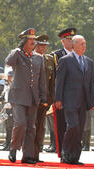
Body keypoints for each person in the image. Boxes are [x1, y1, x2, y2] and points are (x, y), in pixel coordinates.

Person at [5, 28, 47, 164]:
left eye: (34, 40)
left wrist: (44, 97)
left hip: (33, 98)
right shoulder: (17, 54)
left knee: (31, 128)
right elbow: (8, 61)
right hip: (18, 97)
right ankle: (14, 148)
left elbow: (42, 80)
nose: (34, 42)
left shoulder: (38, 58)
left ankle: (27, 156)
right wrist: (17, 50)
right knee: (20, 123)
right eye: (31, 40)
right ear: (24, 42)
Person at [54, 35, 94, 165]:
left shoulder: (89, 62)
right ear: (74, 45)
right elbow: (59, 81)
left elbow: (91, 83)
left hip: (83, 102)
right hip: (69, 101)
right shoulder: (65, 60)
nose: (84, 46)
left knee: (80, 129)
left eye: (85, 43)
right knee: (73, 126)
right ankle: (65, 154)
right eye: (81, 44)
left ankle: (75, 157)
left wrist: (92, 100)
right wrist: (58, 99)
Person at [50, 27, 76, 157]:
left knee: (75, 126)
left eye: (73, 39)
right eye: (69, 39)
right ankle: (63, 153)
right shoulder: (56, 55)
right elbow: (54, 78)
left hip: (75, 97)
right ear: (63, 41)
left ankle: (73, 152)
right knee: (61, 125)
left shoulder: (79, 55)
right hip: (62, 96)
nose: (71, 42)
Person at [33, 34, 56, 162]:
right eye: (41, 45)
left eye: (45, 46)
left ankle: (36, 154)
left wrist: (51, 99)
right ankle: (29, 153)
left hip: (45, 99)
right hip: (32, 98)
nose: (43, 48)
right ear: (36, 45)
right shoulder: (30, 58)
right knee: (31, 126)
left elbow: (52, 81)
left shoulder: (50, 60)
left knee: (41, 127)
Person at [0, 70, 14, 151]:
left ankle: (10, 145)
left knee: (10, 127)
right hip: (6, 107)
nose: (9, 78)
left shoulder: (15, 86)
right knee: (7, 127)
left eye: (10, 76)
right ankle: (7, 143)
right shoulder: (7, 86)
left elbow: (17, 98)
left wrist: (11, 104)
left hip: (12, 108)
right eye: (8, 76)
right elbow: (3, 97)